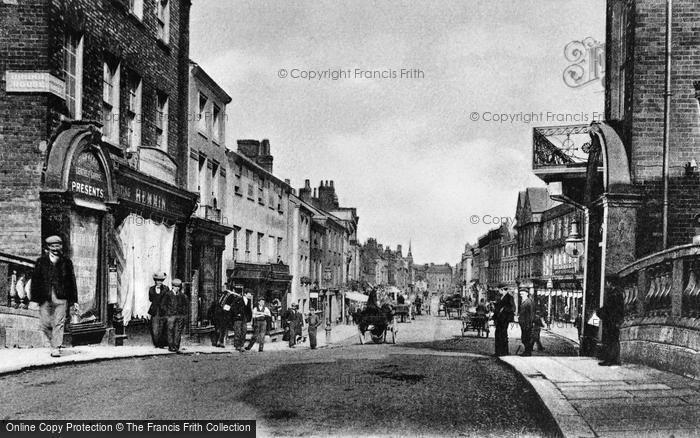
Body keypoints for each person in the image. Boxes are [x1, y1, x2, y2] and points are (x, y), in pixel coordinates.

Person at [30, 235, 78, 357]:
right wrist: (34, 299)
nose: (56, 248)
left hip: (61, 297)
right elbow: (35, 281)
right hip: (45, 297)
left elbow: (72, 281)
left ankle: (56, 347)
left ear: (61, 246)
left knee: (59, 322)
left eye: (58, 245)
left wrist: (74, 300)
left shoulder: (66, 262)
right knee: (45, 323)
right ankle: (52, 342)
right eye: (53, 246)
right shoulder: (41, 262)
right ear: (48, 247)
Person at [598, 277, 625, 366]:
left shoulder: (614, 294)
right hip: (613, 320)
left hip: (611, 321)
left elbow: (609, 308)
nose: (606, 285)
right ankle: (614, 360)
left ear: (610, 283)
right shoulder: (617, 293)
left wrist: (600, 312)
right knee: (614, 340)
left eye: (607, 283)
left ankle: (610, 360)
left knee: (610, 341)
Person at [162, 278, 188, 352]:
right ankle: (171, 346)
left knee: (178, 331)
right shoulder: (168, 294)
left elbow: (185, 305)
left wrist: (183, 313)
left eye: (179, 287)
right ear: (172, 286)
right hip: (171, 316)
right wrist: (167, 313)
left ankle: (176, 346)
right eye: (176, 286)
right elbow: (163, 305)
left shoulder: (182, 295)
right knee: (170, 330)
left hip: (179, 316)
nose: (177, 288)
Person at [148, 271, 170, 348]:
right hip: (154, 310)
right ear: (155, 281)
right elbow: (150, 299)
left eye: (161, 280)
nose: (159, 282)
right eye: (158, 280)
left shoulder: (166, 289)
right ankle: (156, 343)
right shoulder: (151, 289)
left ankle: (162, 344)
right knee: (155, 327)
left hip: (163, 310)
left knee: (163, 327)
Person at [493, 288, 515, 357]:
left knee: (503, 335)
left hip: (505, 319)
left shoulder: (509, 297)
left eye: (499, 290)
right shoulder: (499, 296)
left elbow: (513, 308)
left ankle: (504, 352)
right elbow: (498, 308)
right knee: (497, 335)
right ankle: (498, 352)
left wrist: (504, 309)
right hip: (499, 319)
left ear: (503, 289)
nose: (498, 291)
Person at [229, 285, 247, 352]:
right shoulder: (235, 299)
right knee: (238, 332)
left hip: (243, 318)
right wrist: (237, 314)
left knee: (244, 331)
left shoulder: (245, 299)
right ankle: (237, 345)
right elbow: (232, 308)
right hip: (237, 318)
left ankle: (241, 345)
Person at [518, 288, 535, 356]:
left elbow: (531, 314)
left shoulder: (529, 302)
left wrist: (530, 323)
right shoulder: (523, 301)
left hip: (527, 323)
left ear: (527, 294)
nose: (521, 295)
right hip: (523, 323)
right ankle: (527, 351)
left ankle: (527, 352)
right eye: (521, 294)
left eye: (523, 294)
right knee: (524, 338)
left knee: (526, 338)